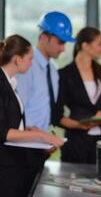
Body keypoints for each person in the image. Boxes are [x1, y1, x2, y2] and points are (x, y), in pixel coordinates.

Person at [0, 35, 64, 197]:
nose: (31, 63)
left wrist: (29, 129)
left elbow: (10, 121)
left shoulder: (10, 82)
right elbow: (3, 131)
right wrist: (40, 135)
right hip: (5, 165)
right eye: (29, 59)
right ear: (17, 59)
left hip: (13, 161)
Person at [16, 11, 75, 185]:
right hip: (22, 149)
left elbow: (45, 112)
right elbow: (19, 112)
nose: (63, 48)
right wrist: (37, 136)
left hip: (40, 149)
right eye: (60, 42)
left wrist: (47, 138)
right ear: (43, 37)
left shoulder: (54, 71)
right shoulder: (26, 67)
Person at [57, 27, 101, 164]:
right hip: (76, 143)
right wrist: (79, 125)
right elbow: (57, 115)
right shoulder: (64, 74)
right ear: (85, 46)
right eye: (99, 43)